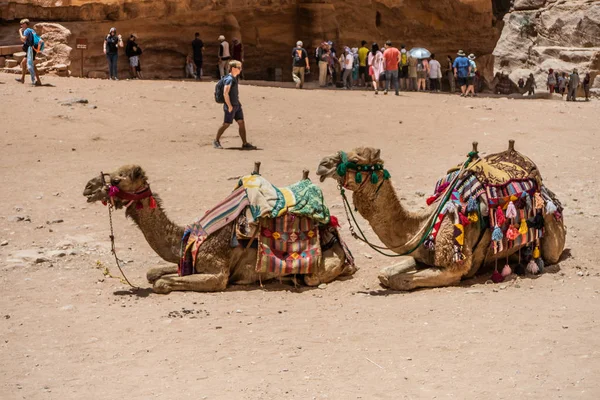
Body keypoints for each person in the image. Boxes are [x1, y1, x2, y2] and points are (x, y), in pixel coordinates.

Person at [214, 60, 256, 150]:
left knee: (241, 122)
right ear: (233, 69)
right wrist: (229, 106)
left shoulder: (234, 78)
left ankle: (245, 143)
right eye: (239, 68)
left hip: (237, 105)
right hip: (231, 105)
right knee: (226, 124)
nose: (240, 69)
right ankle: (216, 141)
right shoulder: (229, 79)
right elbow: (226, 93)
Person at [16, 19, 42, 86]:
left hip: (31, 49)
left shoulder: (26, 31)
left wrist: (20, 32)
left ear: (25, 24)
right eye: (20, 24)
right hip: (32, 49)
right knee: (24, 63)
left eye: (22, 24)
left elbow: (23, 39)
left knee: (32, 65)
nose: (21, 25)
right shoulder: (31, 30)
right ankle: (22, 78)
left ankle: (38, 81)